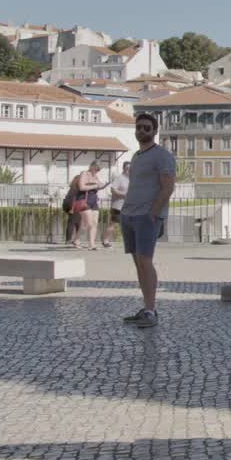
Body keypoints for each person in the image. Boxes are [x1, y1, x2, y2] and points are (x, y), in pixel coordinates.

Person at [119, 113, 177, 329]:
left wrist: (153, 213)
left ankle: (151, 311)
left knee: (145, 262)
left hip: (146, 216)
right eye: (139, 127)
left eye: (146, 128)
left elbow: (168, 187)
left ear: (154, 131)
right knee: (138, 264)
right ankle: (146, 307)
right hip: (129, 215)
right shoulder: (136, 156)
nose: (141, 131)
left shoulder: (162, 156)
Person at [76, 161, 109, 251]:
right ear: (92, 166)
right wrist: (94, 185)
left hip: (93, 200)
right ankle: (87, 242)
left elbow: (99, 186)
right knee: (89, 223)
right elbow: (81, 187)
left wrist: (104, 185)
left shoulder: (96, 176)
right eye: (96, 168)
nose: (97, 171)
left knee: (93, 223)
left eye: (98, 170)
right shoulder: (84, 174)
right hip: (84, 199)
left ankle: (90, 244)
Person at [101, 161, 130, 248]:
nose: (129, 170)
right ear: (124, 169)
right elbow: (113, 190)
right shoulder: (119, 178)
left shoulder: (131, 179)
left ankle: (130, 242)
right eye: (127, 168)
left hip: (128, 206)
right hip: (118, 206)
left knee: (130, 225)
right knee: (113, 224)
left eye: (130, 168)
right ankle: (105, 240)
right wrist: (124, 194)